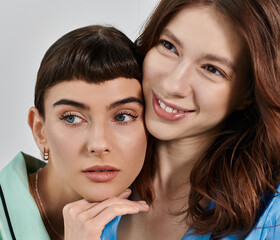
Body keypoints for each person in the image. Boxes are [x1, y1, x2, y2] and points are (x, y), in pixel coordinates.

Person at [64, 0, 280, 239]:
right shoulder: (87, 168)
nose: (172, 84)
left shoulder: (271, 215)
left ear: (248, 94)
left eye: (211, 69)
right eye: (169, 46)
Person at [0, 25, 151, 239]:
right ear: (40, 131)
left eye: (123, 117)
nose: (99, 144)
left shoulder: (159, 222)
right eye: (72, 118)